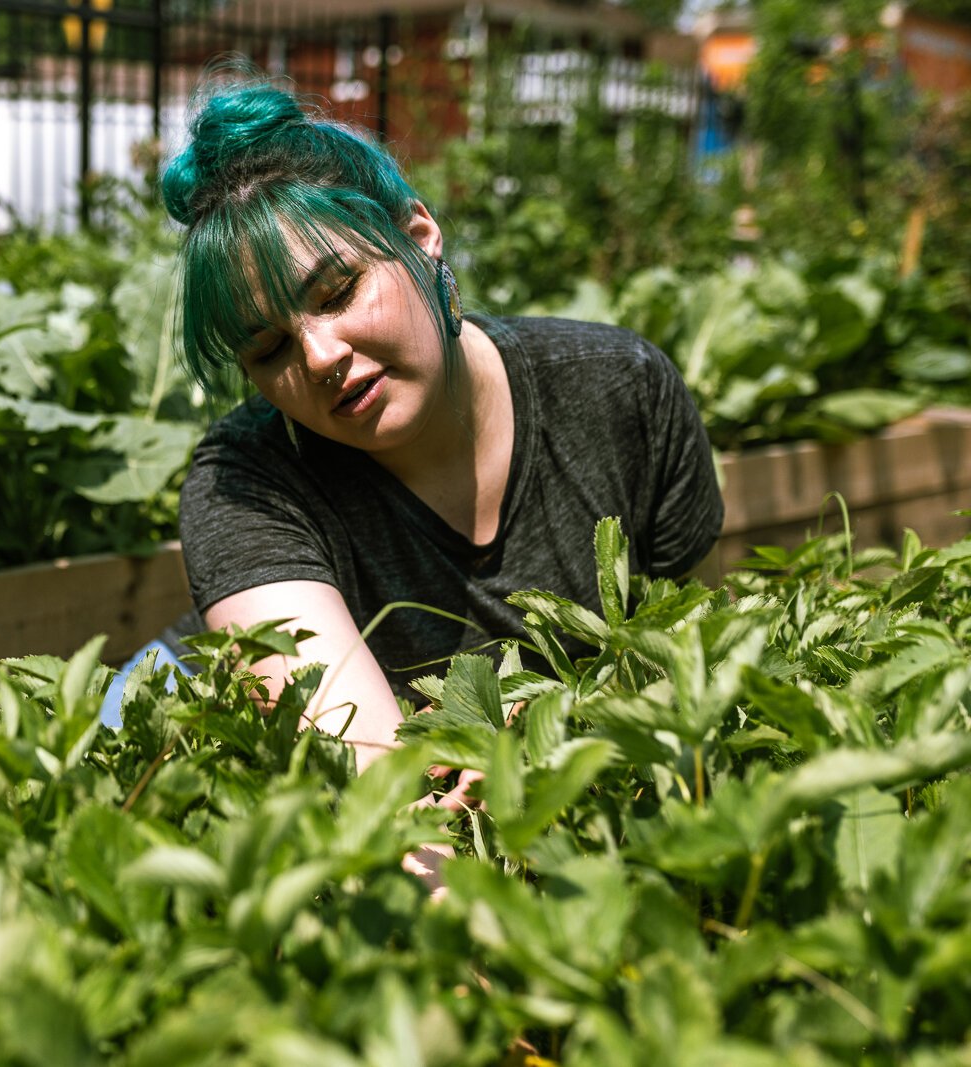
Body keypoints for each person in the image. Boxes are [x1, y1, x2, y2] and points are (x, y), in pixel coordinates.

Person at [106, 72, 723, 784]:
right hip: (176, 746)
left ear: (418, 236)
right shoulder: (245, 484)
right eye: (268, 348)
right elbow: (387, 806)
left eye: (338, 291)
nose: (319, 355)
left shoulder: (622, 394)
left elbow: (697, 669)